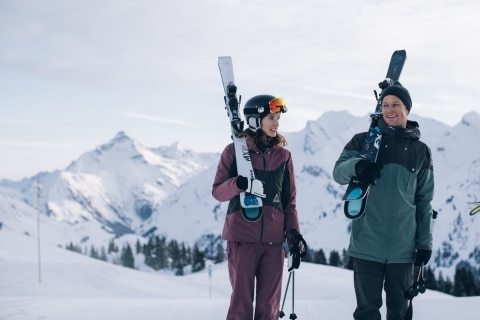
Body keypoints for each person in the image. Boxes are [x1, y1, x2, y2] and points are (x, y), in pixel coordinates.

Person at [332, 82, 434, 320]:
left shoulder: (421, 151)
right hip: (367, 244)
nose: (390, 109)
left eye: (396, 104)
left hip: (404, 248)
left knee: (399, 312)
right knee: (367, 312)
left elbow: (424, 200)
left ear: (406, 109)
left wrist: (425, 242)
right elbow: (338, 173)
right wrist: (358, 166)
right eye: (386, 104)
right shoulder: (362, 142)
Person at [212, 94, 303, 320]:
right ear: (254, 120)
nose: (276, 123)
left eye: (277, 118)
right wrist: (238, 184)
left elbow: (288, 202)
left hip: (273, 242)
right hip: (242, 239)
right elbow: (217, 192)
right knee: (241, 304)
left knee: (268, 307)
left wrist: (293, 235)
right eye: (271, 118)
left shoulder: (283, 156)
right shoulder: (233, 151)